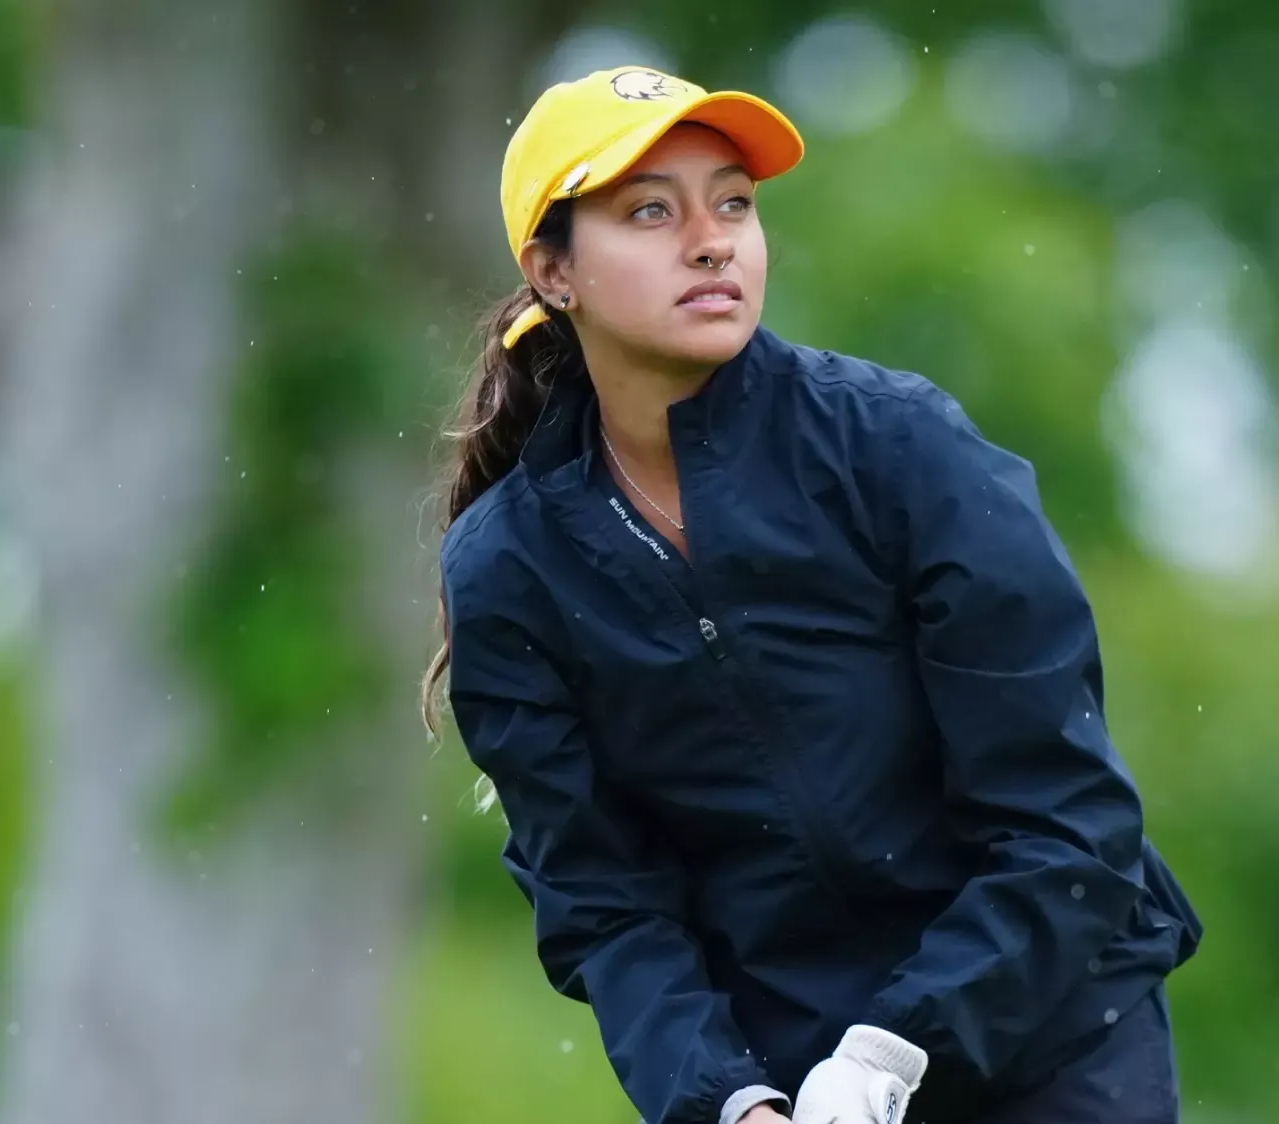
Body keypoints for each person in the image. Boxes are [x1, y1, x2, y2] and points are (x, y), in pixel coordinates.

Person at [423, 65, 1202, 1124]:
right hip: (789, 1087)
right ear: (551, 272)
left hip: (1054, 1035)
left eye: (732, 203)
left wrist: (892, 1049)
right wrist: (727, 1098)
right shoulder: (504, 569)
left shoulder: (904, 448)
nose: (711, 241)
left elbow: (1067, 825)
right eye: (650, 211)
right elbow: (607, 909)